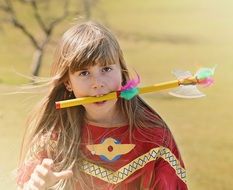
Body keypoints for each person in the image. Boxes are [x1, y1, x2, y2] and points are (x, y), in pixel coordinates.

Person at [17, 21, 188, 190]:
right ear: (68, 82)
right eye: (84, 73)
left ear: (122, 72)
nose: (97, 83)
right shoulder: (53, 137)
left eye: (106, 69)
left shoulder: (154, 135)